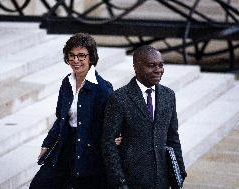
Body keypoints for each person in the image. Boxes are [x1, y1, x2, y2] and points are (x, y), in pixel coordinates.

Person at [29, 33, 114, 189]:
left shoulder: (103, 88)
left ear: (91, 58)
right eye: (72, 56)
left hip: (89, 150)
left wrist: (113, 140)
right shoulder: (67, 82)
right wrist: (47, 143)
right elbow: (61, 118)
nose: (76, 60)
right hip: (66, 143)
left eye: (81, 56)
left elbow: (110, 123)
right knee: (39, 185)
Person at [102, 45, 187, 189]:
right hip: (131, 181)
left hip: (162, 181)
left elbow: (173, 138)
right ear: (136, 67)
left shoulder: (169, 96)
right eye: (151, 65)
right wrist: (119, 183)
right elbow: (108, 145)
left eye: (161, 65)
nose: (158, 70)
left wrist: (180, 172)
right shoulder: (119, 98)